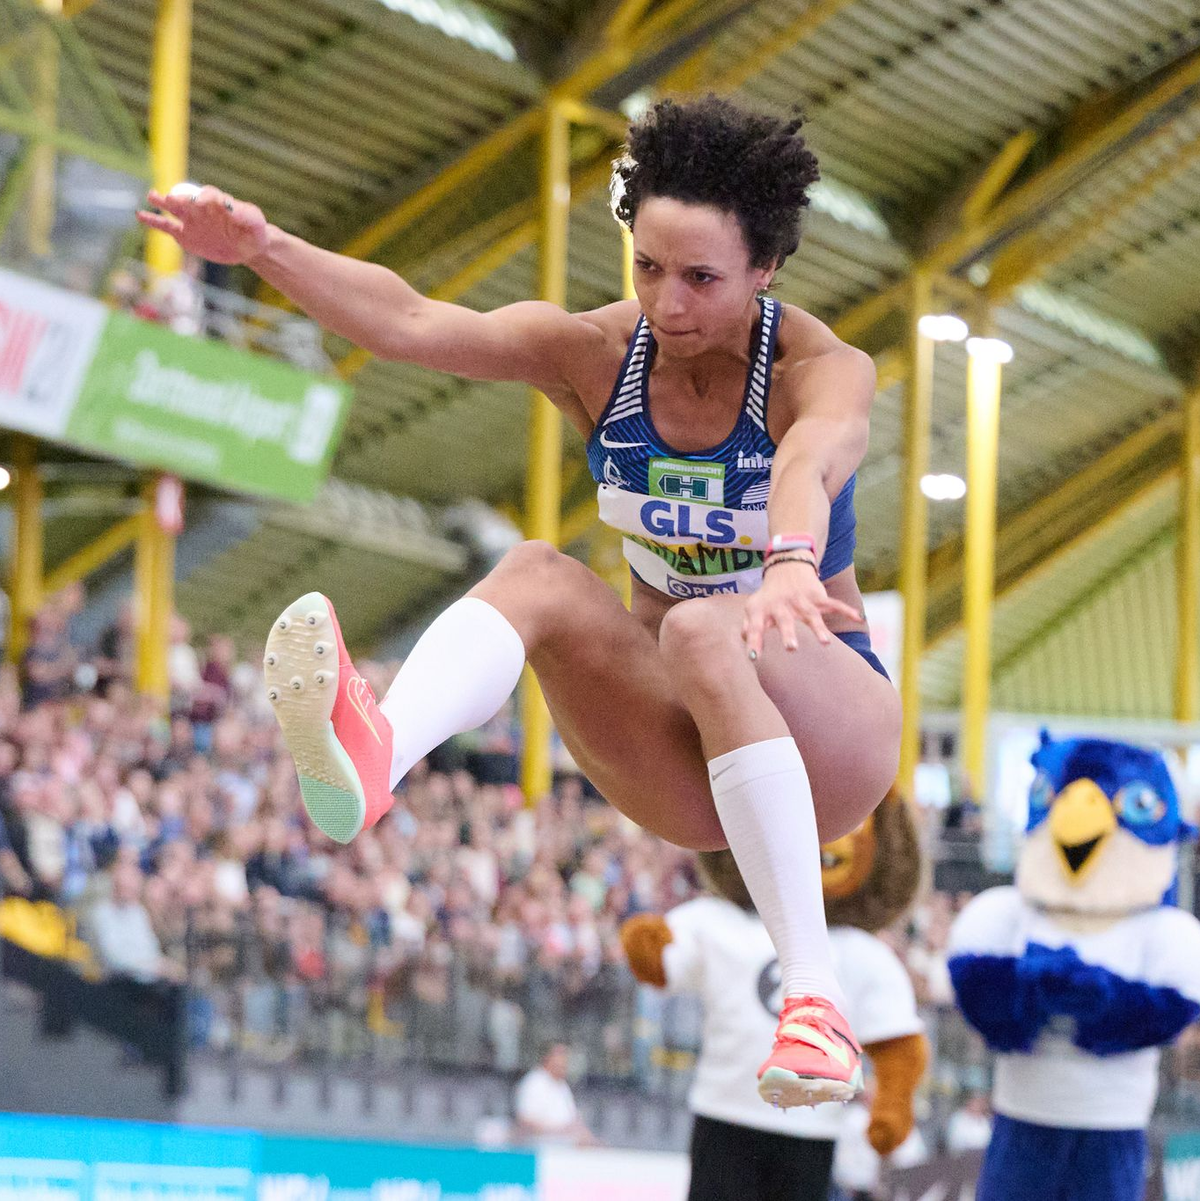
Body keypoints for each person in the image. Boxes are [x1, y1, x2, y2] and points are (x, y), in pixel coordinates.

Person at [138, 93, 901, 1106]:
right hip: (683, 748)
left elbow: (813, 456)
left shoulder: (816, 367)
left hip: (828, 728)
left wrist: (794, 561)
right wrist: (268, 247)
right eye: (648, 267)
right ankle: (376, 757)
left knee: (706, 623)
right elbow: (414, 321)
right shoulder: (598, 355)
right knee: (540, 569)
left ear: (767, 270)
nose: (668, 304)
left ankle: (815, 1003)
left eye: (702, 278)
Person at [512, 1041, 598, 1148]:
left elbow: (573, 1121)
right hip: (542, 1151)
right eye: (561, 1055)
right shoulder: (533, 1083)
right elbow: (525, 1123)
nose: (565, 1061)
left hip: (566, 1150)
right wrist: (561, 1130)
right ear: (547, 1058)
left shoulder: (562, 1086)